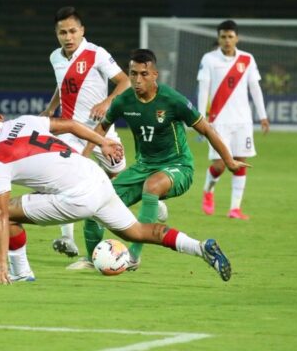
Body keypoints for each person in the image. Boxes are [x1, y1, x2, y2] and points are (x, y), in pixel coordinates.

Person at [0, 101, 232, 284]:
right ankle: (200, 248)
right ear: (0, 117)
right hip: (96, 176)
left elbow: (0, 213)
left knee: (8, 213)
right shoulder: (24, 121)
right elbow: (70, 124)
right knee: (138, 231)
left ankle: (18, 272)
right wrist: (103, 141)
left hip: (78, 197)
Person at [73, 48, 248, 271]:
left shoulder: (172, 100)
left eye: (143, 74)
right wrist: (85, 157)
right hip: (143, 167)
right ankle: (96, 259)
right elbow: (101, 128)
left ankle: (134, 257)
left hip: (178, 166)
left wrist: (230, 161)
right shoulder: (123, 101)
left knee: (152, 186)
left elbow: (207, 129)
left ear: (155, 75)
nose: (137, 79)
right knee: (96, 205)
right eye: (133, 73)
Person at [41, 6, 131, 259]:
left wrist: (107, 102)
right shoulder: (55, 57)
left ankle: (152, 206)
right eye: (62, 32)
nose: (68, 37)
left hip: (101, 130)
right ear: (56, 34)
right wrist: (50, 109)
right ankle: (68, 238)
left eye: (72, 31)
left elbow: (125, 81)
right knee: (65, 179)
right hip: (69, 130)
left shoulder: (97, 53)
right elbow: (62, 85)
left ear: (82, 31)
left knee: (119, 177)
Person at [197, 20, 269, 220]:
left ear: (237, 38)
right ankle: (208, 190)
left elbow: (255, 88)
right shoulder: (209, 59)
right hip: (217, 121)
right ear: (218, 38)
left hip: (243, 121)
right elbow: (203, 89)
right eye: (223, 37)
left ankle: (235, 209)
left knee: (240, 162)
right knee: (220, 165)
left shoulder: (247, 59)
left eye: (230, 37)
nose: (227, 41)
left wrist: (262, 116)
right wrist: (200, 119)